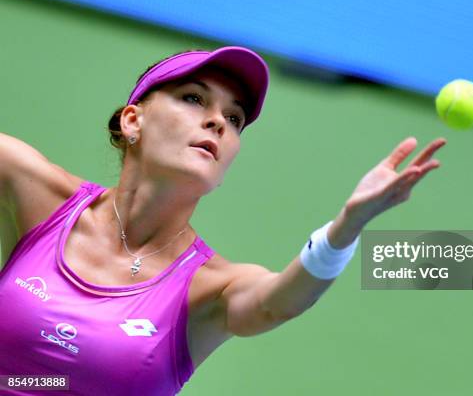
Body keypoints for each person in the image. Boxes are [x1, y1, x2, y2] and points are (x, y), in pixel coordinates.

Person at [0, 46, 445, 395]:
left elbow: (278, 302)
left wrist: (347, 226)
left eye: (234, 119)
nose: (217, 122)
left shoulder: (211, 288)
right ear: (133, 120)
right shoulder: (37, 193)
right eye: (194, 99)